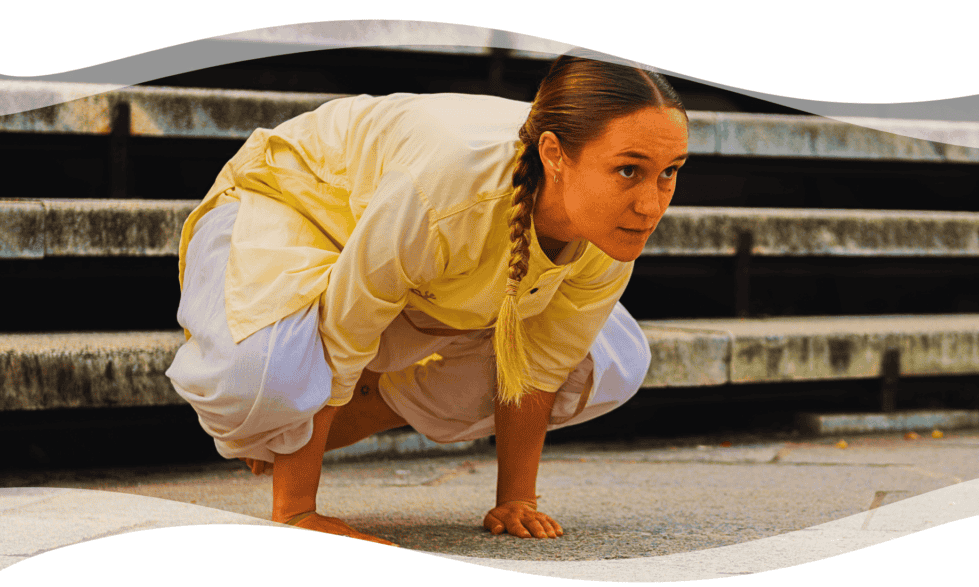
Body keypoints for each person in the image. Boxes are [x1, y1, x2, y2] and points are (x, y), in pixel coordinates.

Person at [166, 52, 689, 546]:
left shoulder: (608, 228)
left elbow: (536, 368)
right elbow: (342, 337)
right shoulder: (449, 187)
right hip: (297, 198)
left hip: (420, 261)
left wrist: (515, 501)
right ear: (554, 154)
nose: (651, 204)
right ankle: (291, 430)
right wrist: (298, 511)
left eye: (670, 172)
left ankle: (354, 406)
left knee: (611, 361)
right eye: (629, 170)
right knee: (265, 380)